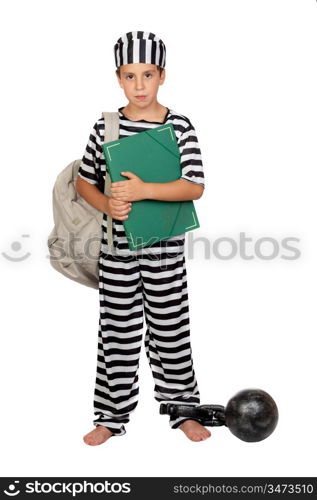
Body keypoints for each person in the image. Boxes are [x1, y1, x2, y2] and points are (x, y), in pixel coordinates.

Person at [76, 31, 210, 445]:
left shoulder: (179, 126)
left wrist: (143, 190)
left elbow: (194, 187)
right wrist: (107, 205)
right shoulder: (107, 126)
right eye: (129, 76)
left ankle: (183, 409)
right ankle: (111, 416)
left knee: (170, 328)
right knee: (117, 330)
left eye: (147, 75)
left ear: (162, 76)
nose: (139, 86)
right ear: (118, 78)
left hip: (164, 249)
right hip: (117, 249)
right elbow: (85, 183)